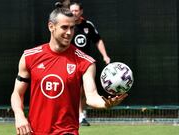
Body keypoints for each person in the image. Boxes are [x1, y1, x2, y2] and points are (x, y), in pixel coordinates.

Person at [11, 7, 127, 135]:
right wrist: (19, 116)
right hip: (34, 131)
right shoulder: (29, 57)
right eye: (64, 27)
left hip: (67, 131)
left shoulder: (86, 62)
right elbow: (17, 93)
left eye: (72, 28)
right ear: (51, 26)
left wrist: (105, 104)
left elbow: (91, 96)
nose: (69, 32)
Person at [69, 2, 111, 126]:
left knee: (84, 91)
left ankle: (80, 115)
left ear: (81, 11)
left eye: (76, 10)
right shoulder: (67, 25)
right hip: (70, 63)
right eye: (72, 10)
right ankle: (77, 115)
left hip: (85, 64)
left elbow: (98, 40)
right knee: (75, 90)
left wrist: (105, 56)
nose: (74, 13)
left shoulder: (88, 25)